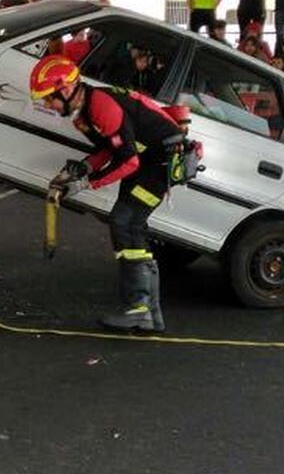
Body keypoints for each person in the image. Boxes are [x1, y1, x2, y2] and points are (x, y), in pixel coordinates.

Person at [31, 55, 195, 333]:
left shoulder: (101, 106)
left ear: (66, 89)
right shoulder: (83, 114)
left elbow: (128, 161)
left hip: (158, 165)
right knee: (132, 225)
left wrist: (88, 183)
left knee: (124, 222)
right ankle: (150, 314)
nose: (48, 105)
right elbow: (109, 149)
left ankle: (139, 310)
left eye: (49, 98)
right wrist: (84, 168)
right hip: (148, 162)